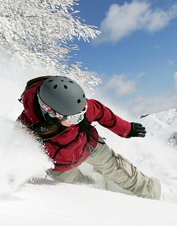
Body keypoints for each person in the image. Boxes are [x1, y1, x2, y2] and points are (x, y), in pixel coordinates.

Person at [18, 75, 161, 200]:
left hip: (91, 146)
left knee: (122, 172)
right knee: (85, 189)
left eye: (82, 113)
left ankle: (154, 194)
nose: (81, 119)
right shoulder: (26, 126)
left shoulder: (77, 106)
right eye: (75, 118)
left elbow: (103, 113)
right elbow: (13, 152)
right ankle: (99, 188)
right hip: (61, 169)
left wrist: (127, 129)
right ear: (52, 114)